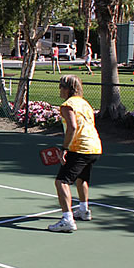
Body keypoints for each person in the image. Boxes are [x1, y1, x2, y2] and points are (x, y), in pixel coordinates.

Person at [48, 75, 102, 232]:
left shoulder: (67, 105)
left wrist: (64, 148)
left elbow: (72, 127)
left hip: (80, 148)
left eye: (61, 86)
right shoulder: (85, 104)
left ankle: (67, 219)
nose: (59, 89)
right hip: (95, 147)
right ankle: (84, 211)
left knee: (61, 182)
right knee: (82, 178)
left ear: (68, 89)